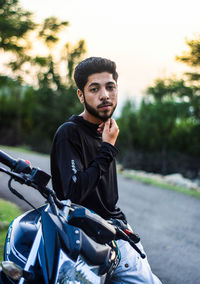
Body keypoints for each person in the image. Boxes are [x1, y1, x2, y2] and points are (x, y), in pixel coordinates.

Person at [50, 57, 162, 283]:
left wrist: (106, 144)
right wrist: (108, 148)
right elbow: (73, 194)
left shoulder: (105, 131)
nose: (105, 95)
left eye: (110, 87)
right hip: (87, 238)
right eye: (94, 89)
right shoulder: (69, 133)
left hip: (117, 231)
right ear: (81, 95)